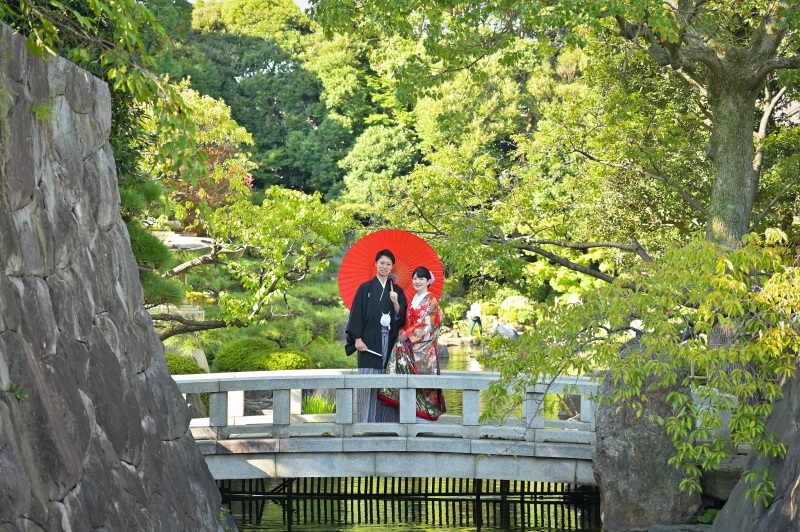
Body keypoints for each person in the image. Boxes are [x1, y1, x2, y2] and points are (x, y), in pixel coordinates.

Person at [345, 249, 408, 423]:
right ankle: (366, 421)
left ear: (392, 267)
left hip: (389, 341)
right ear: (376, 264)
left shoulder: (397, 291)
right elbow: (356, 314)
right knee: (368, 379)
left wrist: (395, 303)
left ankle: (387, 423)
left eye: (388, 264)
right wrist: (357, 338)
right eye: (382, 263)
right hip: (369, 341)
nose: (385, 267)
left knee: (388, 380)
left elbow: (402, 317)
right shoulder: (365, 288)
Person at [378, 266, 446, 421]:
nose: (417, 281)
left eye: (421, 278)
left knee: (423, 382)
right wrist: (402, 329)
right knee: (404, 375)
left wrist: (408, 334)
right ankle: (407, 408)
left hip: (423, 348)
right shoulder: (414, 298)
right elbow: (407, 321)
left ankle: (425, 418)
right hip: (410, 345)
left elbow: (429, 324)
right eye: (415, 278)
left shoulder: (431, 300)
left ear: (428, 281)